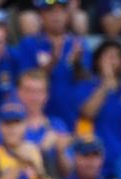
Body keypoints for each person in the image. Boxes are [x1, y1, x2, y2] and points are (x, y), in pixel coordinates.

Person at [74, 38, 121, 179]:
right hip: (94, 158)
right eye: (108, 56)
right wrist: (106, 85)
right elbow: (88, 113)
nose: (112, 60)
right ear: (97, 60)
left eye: (117, 56)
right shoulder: (86, 85)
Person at [16, 0, 90, 131]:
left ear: (68, 14)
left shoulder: (79, 44)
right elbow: (25, 81)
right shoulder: (29, 43)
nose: (56, 15)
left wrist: (77, 64)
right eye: (50, 11)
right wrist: (52, 63)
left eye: (61, 10)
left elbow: (86, 79)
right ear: (41, 15)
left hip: (71, 116)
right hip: (36, 120)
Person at [0, 69, 72, 177]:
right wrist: (41, 149)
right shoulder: (4, 124)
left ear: (46, 95)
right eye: (28, 91)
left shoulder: (57, 125)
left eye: (39, 92)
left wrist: (60, 153)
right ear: (18, 92)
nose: (34, 97)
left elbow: (68, 172)